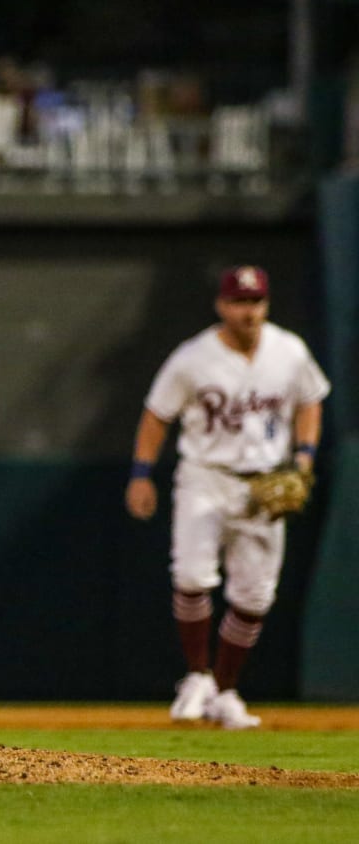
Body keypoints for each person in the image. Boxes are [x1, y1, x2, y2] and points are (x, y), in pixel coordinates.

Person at [125, 265, 328, 729]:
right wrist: (141, 474)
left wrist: (305, 457)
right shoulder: (192, 358)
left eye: (255, 302)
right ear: (221, 305)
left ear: (267, 304)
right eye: (239, 302)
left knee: (254, 596)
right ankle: (196, 676)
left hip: (264, 482)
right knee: (192, 575)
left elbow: (311, 399)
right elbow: (157, 415)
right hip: (206, 475)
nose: (248, 311)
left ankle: (224, 690)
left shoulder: (289, 351)